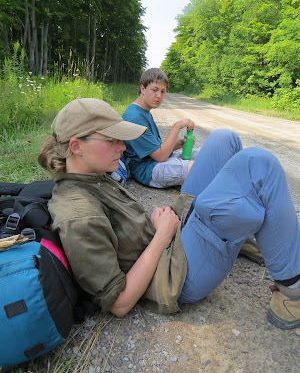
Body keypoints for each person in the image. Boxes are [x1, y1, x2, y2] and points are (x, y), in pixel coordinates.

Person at [38, 97, 300, 330]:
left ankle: (234, 234)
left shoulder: (91, 174)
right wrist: (161, 236)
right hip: (177, 272)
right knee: (259, 163)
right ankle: (293, 292)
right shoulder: (79, 215)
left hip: (174, 237)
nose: (123, 147)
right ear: (76, 146)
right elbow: (119, 303)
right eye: (111, 140)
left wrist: (154, 223)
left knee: (224, 139)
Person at [122, 68, 200, 188]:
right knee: (202, 167)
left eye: (163, 91)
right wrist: (177, 126)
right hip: (149, 170)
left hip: (156, 161)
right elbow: (160, 156)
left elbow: (154, 150)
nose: (159, 96)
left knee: (205, 154)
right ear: (143, 89)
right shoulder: (134, 117)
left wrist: (176, 145)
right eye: (155, 90)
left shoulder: (144, 111)